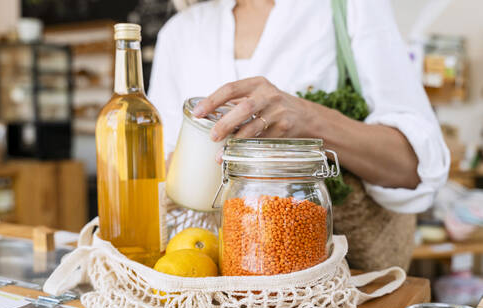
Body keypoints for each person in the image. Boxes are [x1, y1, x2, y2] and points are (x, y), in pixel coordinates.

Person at [147, 0, 450, 271]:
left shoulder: (347, 7)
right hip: (206, 275)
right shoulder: (181, 32)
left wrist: (309, 120)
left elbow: (418, 168)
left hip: (330, 281)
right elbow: (163, 172)